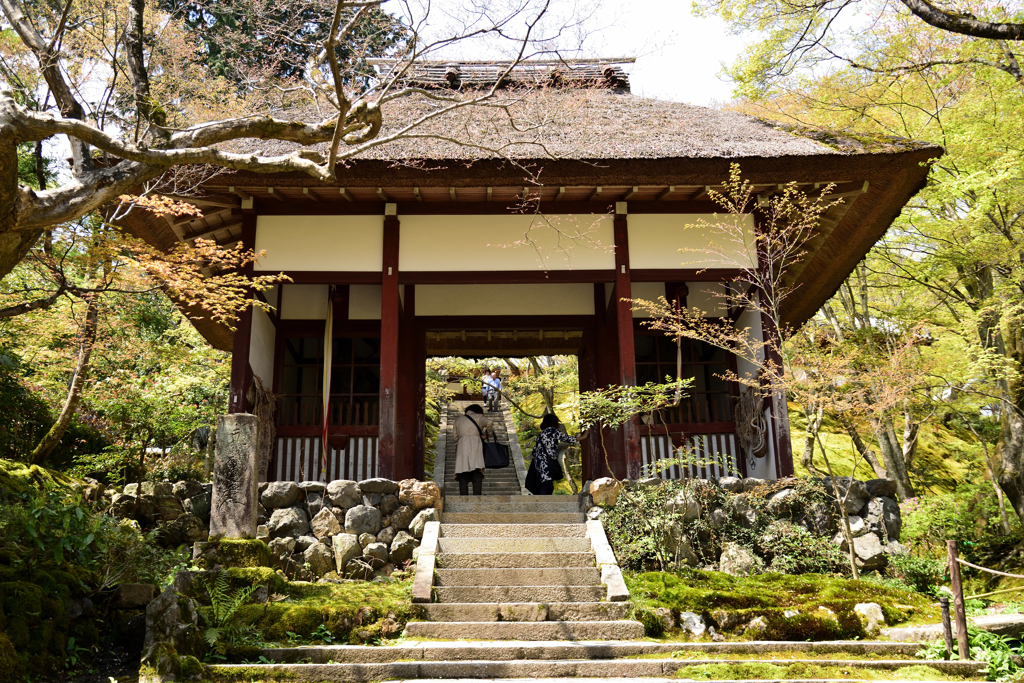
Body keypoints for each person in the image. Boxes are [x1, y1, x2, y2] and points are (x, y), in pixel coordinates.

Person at [525, 413, 587, 495]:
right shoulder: (551, 430)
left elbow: (535, 450)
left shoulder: (542, 433)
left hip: (538, 461)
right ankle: (540, 502)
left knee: (546, 482)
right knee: (547, 483)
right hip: (546, 461)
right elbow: (566, 438)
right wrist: (583, 437)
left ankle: (540, 499)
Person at [453, 404, 493, 495]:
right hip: (475, 444)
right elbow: (490, 422)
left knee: (463, 474)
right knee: (477, 472)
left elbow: (455, 437)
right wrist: (488, 435)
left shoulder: (458, 420)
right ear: (478, 411)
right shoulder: (479, 417)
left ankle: (463, 499)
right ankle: (477, 498)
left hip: (462, 445)